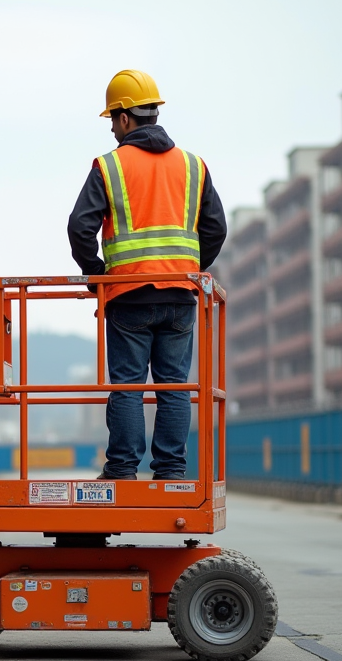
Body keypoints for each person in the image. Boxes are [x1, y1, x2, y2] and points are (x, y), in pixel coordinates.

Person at [67, 69, 227, 480]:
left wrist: (96, 273)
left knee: (128, 386)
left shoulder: (110, 166)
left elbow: (79, 227)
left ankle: (121, 470)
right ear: (154, 112)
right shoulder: (194, 165)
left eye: (112, 121)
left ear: (123, 118)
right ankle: (172, 471)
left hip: (128, 295)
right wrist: (189, 268)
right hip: (180, 297)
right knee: (174, 386)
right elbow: (216, 229)